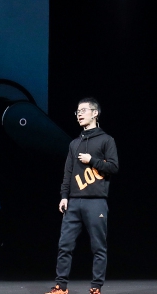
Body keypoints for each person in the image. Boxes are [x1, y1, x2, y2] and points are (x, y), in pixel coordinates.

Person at [46, 97, 119, 294]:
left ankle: (96, 287)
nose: (79, 114)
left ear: (95, 113)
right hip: (74, 202)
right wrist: (64, 196)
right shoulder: (74, 143)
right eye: (77, 111)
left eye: (83, 110)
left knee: (98, 247)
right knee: (64, 245)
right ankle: (61, 287)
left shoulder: (106, 140)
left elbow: (113, 167)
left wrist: (92, 160)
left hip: (96, 201)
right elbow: (68, 172)